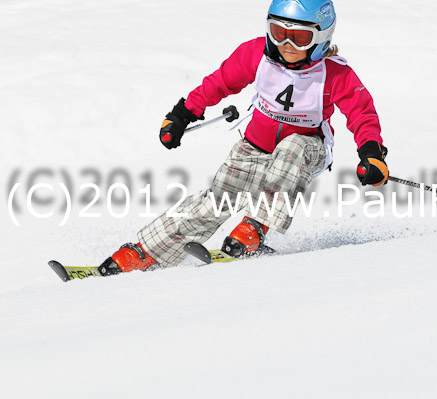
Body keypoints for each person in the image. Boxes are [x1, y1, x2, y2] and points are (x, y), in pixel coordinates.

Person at [99, 0, 389, 275]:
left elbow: (362, 113)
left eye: (299, 38)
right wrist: (182, 114)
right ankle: (149, 251)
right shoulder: (256, 54)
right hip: (254, 147)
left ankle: (256, 226)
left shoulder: (334, 73)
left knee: (292, 147)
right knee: (215, 200)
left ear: (320, 37)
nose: (286, 45)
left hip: (308, 150)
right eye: (278, 33)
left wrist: (371, 153)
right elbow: (220, 82)